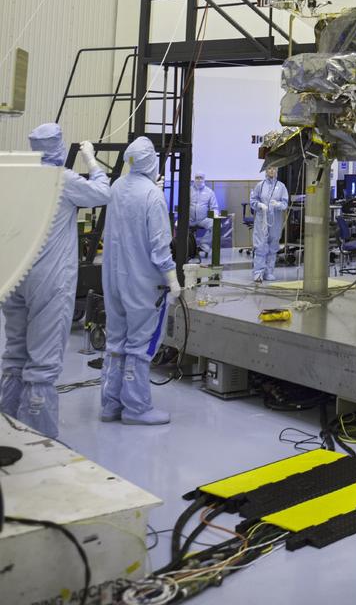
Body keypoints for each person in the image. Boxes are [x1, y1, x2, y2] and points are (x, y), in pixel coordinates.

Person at [0, 125, 110, 438]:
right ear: (57, 147)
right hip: (50, 280)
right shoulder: (62, 179)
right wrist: (91, 161)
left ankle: (8, 430)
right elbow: (103, 193)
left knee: (14, 355)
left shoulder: (17, 178)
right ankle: (37, 439)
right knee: (42, 363)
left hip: (15, 275)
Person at [100, 137, 181, 426]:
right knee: (139, 344)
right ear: (151, 161)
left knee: (116, 342)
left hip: (113, 280)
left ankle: (110, 405)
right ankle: (136, 408)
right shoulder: (152, 196)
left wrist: (151, 192)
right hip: (143, 284)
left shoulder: (117, 186)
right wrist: (172, 280)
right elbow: (160, 246)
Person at [250, 165, 289, 283]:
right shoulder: (260, 185)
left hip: (275, 220)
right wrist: (259, 205)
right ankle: (258, 272)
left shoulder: (281, 186)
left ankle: (269, 271)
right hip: (262, 220)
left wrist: (277, 204)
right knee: (261, 245)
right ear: (266, 171)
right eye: (269, 169)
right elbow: (253, 201)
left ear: (277, 171)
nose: (271, 171)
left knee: (273, 245)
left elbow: (285, 203)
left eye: (274, 169)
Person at [189, 173, 219, 261]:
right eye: (197, 178)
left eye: (200, 178)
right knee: (177, 225)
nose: (198, 180)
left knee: (216, 225)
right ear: (194, 179)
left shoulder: (209, 192)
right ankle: (187, 248)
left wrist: (215, 216)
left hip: (203, 219)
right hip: (189, 219)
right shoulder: (188, 190)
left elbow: (214, 207)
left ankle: (204, 246)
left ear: (204, 179)